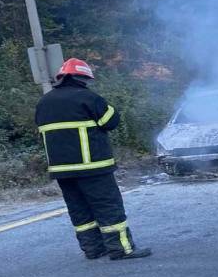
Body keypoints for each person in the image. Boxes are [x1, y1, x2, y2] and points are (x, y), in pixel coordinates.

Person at [35, 58, 151, 260]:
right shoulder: (88, 98)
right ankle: (121, 249)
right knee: (108, 206)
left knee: (80, 211)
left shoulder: (43, 102)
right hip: (93, 167)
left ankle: (93, 249)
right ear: (82, 77)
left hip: (62, 170)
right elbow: (111, 121)